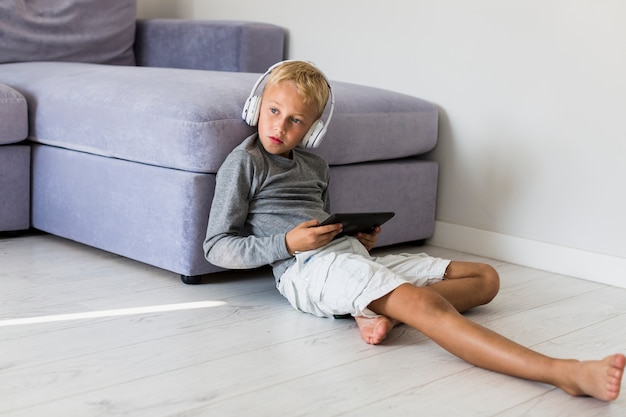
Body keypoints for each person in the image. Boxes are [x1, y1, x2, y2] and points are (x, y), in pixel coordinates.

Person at [203, 60, 624, 401]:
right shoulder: (245, 163)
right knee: (426, 306)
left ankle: (371, 309)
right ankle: (563, 372)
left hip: (345, 255)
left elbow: (322, 220)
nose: (280, 127)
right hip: (306, 271)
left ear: (312, 129)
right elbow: (216, 247)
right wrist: (287, 244)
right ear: (256, 105)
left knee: (485, 279)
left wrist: (357, 236)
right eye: (274, 111)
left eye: (296, 121)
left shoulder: (315, 166)